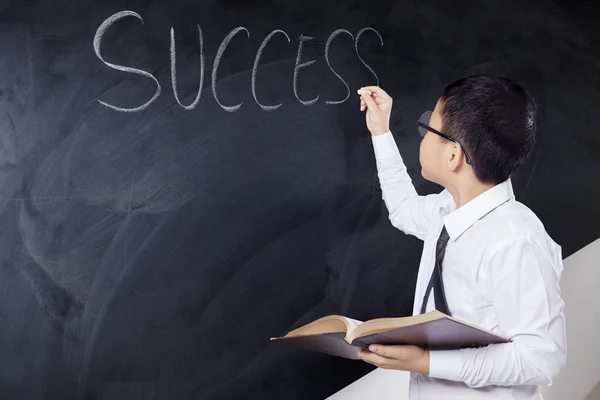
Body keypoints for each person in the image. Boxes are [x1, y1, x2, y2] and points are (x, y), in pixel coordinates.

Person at [355, 75, 566, 399]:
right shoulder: (448, 208)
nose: (422, 137)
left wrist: (428, 361)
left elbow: (540, 358)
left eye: (428, 129)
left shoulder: (516, 241)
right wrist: (381, 131)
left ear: (453, 155)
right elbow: (403, 209)